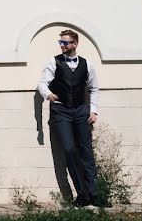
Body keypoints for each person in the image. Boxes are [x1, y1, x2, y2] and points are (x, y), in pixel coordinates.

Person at [37, 29, 100, 207]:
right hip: (60, 111)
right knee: (70, 149)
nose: (62, 45)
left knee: (86, 152)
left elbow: (94, 89)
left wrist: (93, 111)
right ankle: (82, 195)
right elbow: (42, 83)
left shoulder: (87, 65)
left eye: (65, 43)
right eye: (60, 43)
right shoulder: (54, 62)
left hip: (81, 111)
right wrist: (48, 94)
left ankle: (94, 194)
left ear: (75, 44)